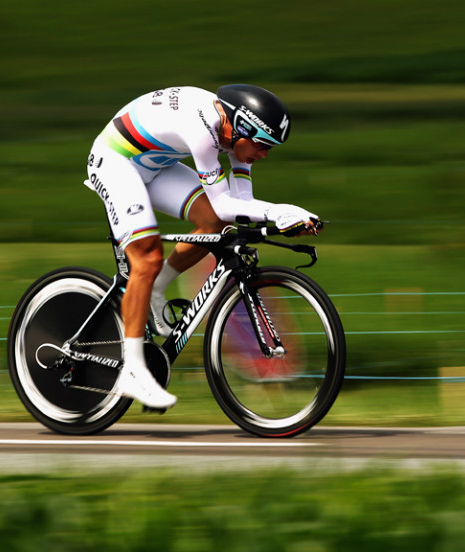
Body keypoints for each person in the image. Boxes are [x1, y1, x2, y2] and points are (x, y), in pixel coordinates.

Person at [83, 84, 321, 410]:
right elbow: (226, 203)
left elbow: (241, 204)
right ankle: (132, 371)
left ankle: (156, 289)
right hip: (115, 163)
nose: (264, 154)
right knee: (147, 257)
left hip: (155, 163)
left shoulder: (234, 133)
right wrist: (278, 212)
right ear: (241, 128)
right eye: (263, 145)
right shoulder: (203, 128)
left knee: (215, 225)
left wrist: (281, 217)